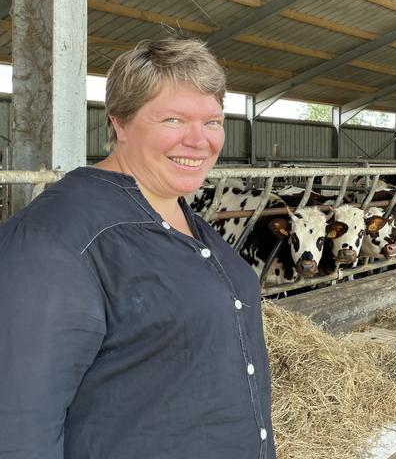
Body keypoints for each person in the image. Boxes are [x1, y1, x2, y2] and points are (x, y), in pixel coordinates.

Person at [0, 38, 276, 458]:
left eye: (213, 121)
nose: (199, 140)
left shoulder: (193, 224)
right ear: (119, 123)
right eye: (173, 119)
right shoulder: (58, 238)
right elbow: (18, 423)